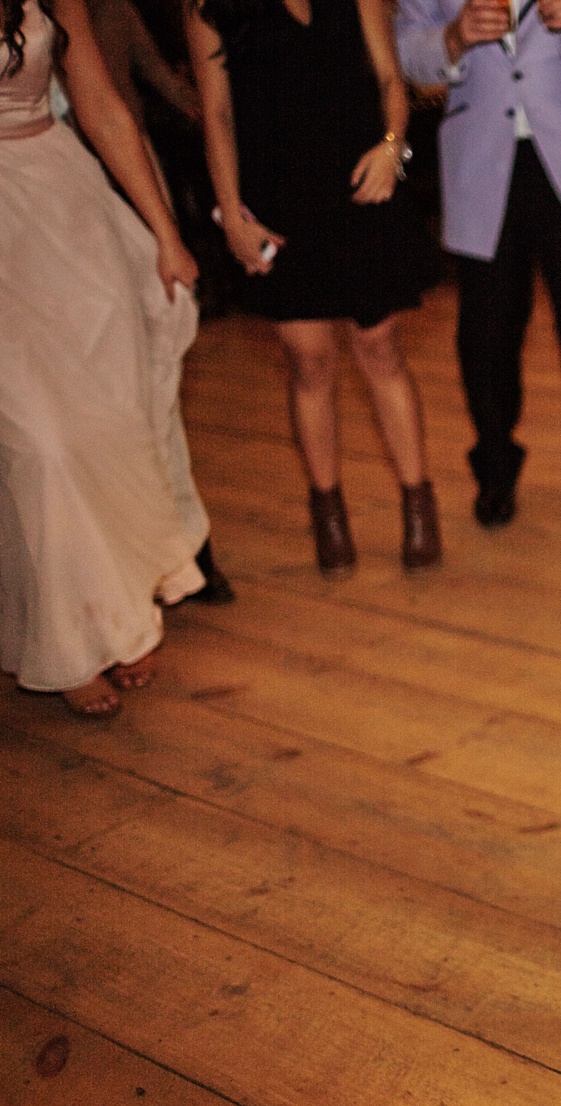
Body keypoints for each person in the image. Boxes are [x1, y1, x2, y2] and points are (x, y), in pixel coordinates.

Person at [1, 0, 210, 715]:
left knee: (104, 419)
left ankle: (107, 619)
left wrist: (163, 232)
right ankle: (66, 636)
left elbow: (101, 104)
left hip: (61, 201)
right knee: (39, 442)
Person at [187, 0, 442, 577]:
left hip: (362, 190)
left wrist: (392, 148)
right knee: (310, 362)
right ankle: (328, 510)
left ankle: (418, 502)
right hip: (280, 203)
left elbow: (389, 82)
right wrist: (231, 214)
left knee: (381, 350)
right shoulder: (210, 9)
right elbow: (217, 116)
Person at [397, 0, 561, 530]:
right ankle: (494, 471)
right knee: (486, 335)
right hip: (480, 159)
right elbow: (408, 53)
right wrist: (454, 38)